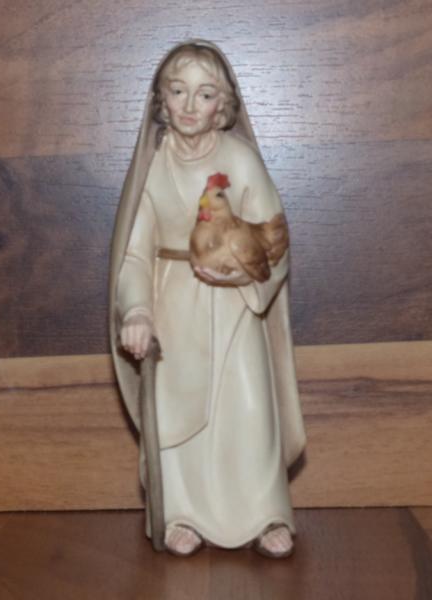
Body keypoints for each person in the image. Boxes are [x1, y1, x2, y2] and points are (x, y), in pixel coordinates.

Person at [109, 41, 305, 557]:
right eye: (179, 92)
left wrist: (242, 276)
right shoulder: (153, 168)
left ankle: (264, 513)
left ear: (223, 104)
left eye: (205, 93)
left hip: (235, 306)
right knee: (177, 412)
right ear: (162, 99)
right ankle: (182, 512)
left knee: (248, 407)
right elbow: (134, 253)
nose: (191, 106)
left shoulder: (239, 159)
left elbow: (275, 238)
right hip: (173, 302)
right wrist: (137, 310)